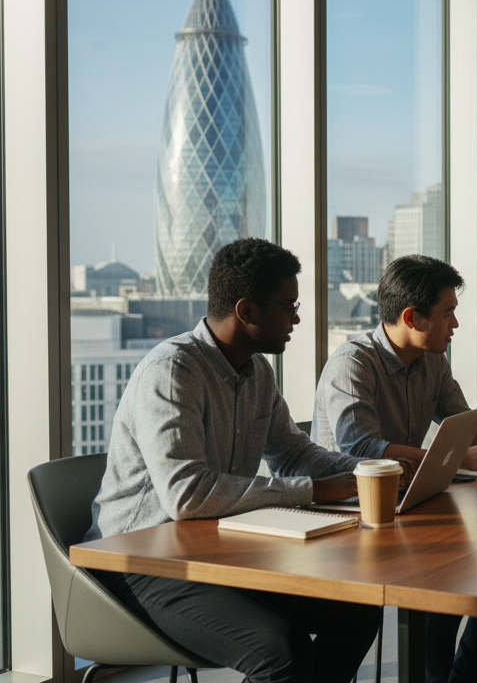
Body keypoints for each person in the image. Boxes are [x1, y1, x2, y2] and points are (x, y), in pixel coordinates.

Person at [84, 238, 381, 683]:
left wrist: (366, 472)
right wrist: (317, 490)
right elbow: (188, 496)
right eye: (288, 306)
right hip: (139, 563)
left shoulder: (256, 371)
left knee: (357, 610)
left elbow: (294, 452)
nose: (297, 317)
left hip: (214, 552)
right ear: (247, 310)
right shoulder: (172, 371)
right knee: (283, 652)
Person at [311, 254, 477, 683]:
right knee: (452, 584)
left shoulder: (433, 362)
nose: (456, 325)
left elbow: (465, 424)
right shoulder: (352, 364)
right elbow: (362, 449)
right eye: (448, 313)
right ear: (411, 317)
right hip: (352, 521)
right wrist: (446, 459)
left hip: (411, 511)